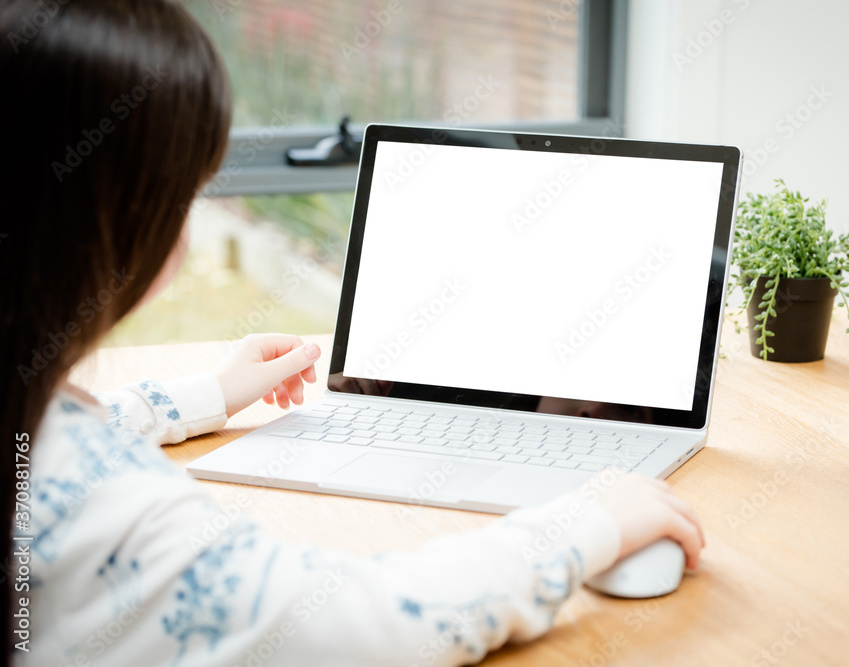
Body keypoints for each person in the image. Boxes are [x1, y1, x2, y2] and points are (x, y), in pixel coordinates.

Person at [0, 1, 705, 665]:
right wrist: (582, 525)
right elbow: (362, 623)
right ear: (103, 222)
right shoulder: (119, 511)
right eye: (184, 193)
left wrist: (198, 396)